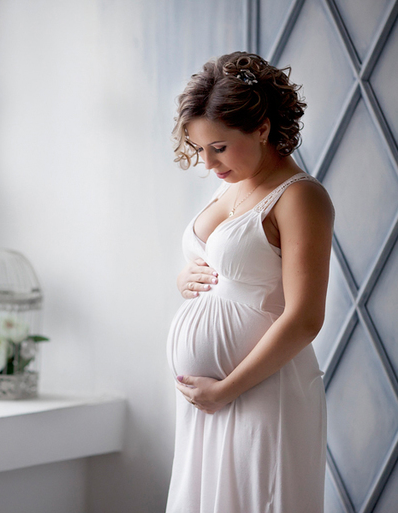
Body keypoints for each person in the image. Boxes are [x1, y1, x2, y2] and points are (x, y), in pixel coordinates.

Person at [165, 51, 334, 513]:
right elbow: (233, 266)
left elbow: (304, 319)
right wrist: (189, 278)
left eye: (219, 147)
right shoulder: (233, 182)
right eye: (200, 149)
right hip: (211, 401)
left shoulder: (300, 198)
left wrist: (225, 390)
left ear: (262, 128)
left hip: (261, 394)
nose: (208, 164)